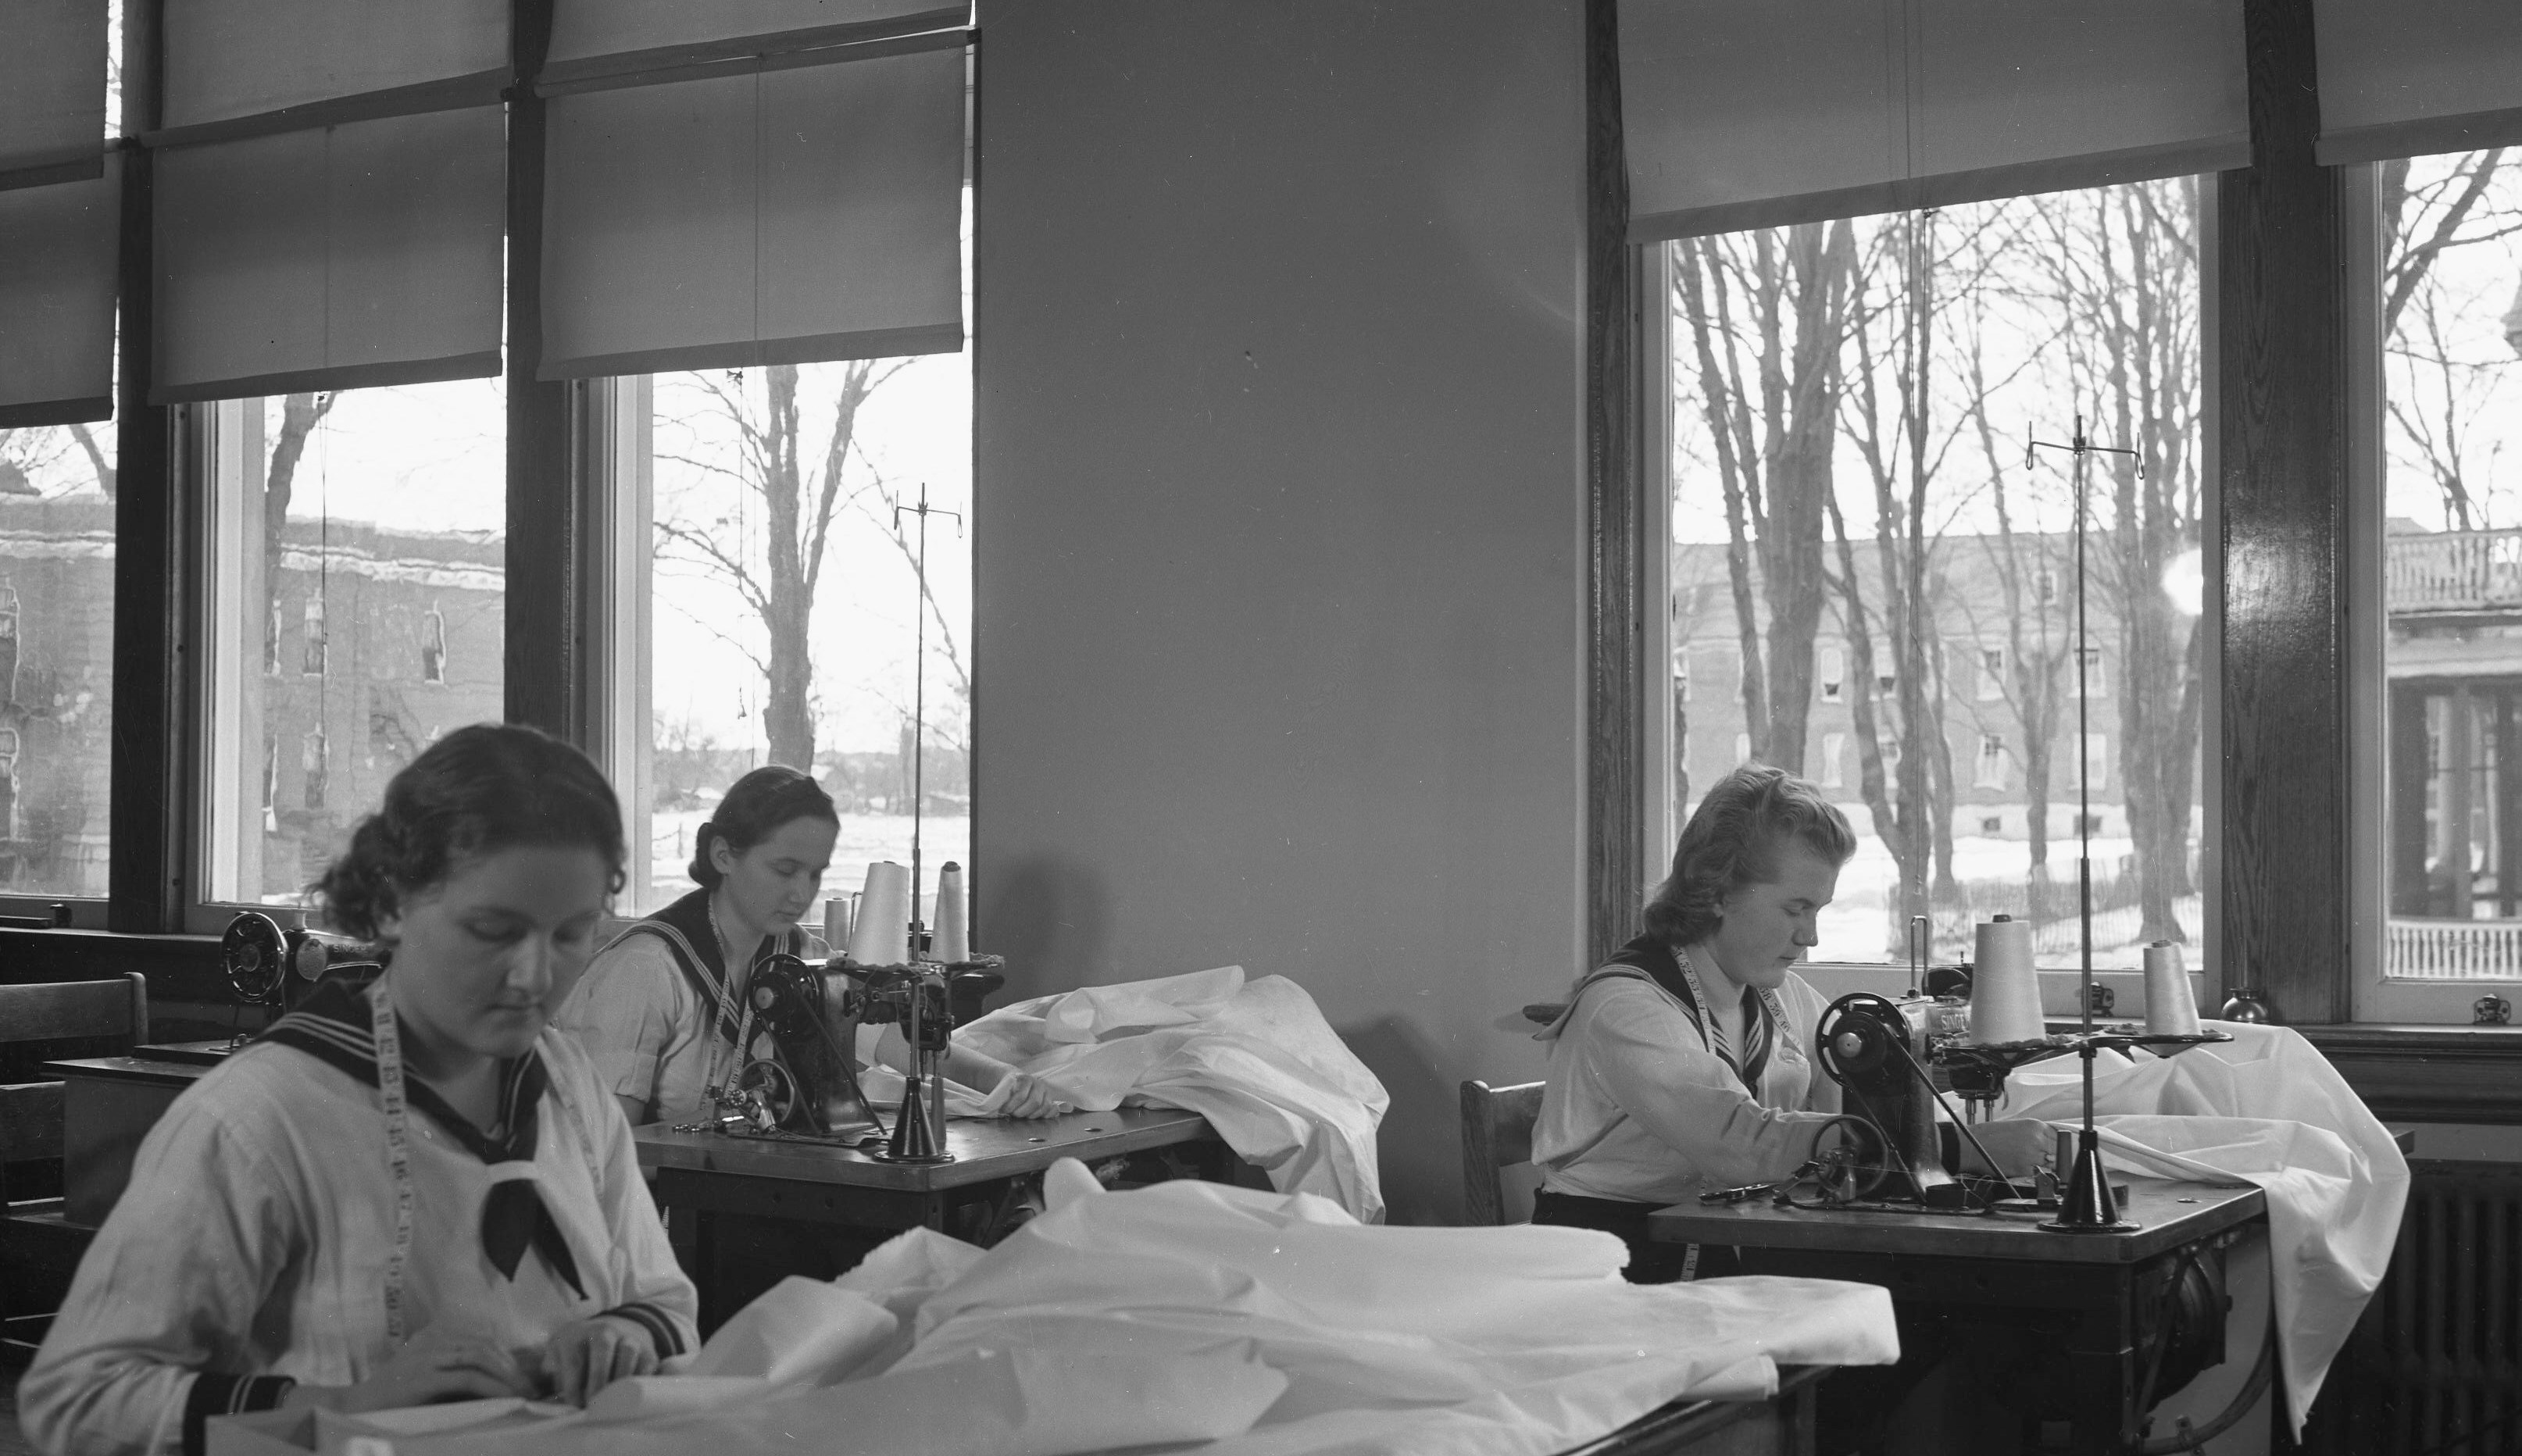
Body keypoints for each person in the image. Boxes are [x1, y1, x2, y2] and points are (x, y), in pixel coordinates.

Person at [20, 724, 697, 1456]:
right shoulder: (257, 1119)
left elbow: (663, 1302)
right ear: (389, 906)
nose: (535, 978)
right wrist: (337, 1405)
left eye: (571, 935)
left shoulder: (571, 1088)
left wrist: (622, 1333)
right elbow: (78, 1398)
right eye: (494, 931)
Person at [1530, 763, 2045, 1284]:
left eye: (1817, 910)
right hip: (1618, 1270)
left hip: (1719, 1250)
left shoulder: (1776, 993)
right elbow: (1741, 1142)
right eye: (1795, 909)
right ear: (1718, 892)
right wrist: (1961, 1149)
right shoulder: (1626, 1008)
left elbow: (1850, 1094)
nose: (1811, 936)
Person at [555, 765, 1062, 1129]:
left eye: (815, 874)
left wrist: (1009, 1081)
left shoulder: (798, 957)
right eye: (784, 870)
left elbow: (903, 1047)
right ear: (723, 855)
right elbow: (598, 1156)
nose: (802, 894)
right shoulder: (647, 971)